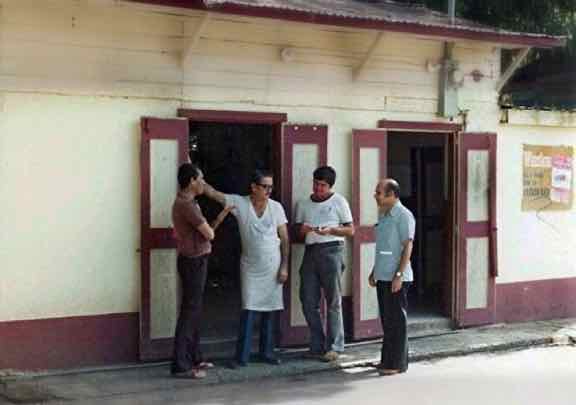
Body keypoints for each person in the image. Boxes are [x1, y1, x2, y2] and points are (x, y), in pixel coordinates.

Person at [203, 170, 290, 367]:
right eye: (264, 186)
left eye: (270, 187)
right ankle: (241, 357)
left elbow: (284, 238)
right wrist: (196, 176)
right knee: (248, 309)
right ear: (254, 187)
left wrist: (284, 266)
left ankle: (266, 353)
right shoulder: (240, 203)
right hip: (250, 267)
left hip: (272, 265)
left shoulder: (276, 208)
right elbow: (213, 193)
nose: (268, 190)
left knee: (270, 309)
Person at [171, 163, 233, 379]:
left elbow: (207, 233)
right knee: (189, 312)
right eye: (201, 179)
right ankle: (180, 364)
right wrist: (213, 225)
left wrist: (223, 214)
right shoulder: (186, 205)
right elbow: (209, 234)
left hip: (197, 259)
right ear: (191, 181)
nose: (204, 184)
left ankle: (195, 357)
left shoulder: (190, 202)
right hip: (193, 262)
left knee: (195, 311)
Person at [294, 166, 354, 362]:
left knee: (333, 301)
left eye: (323, 185)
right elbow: (296, 231)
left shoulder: (339, 201)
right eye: (316, 184)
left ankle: (335, 346)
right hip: (311, 252)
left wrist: (331, 230)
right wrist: (303, 229)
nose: (319, 188)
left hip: (332, 250)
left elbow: (350, 230)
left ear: (330, 186)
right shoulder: (303, 203)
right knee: (308, 300)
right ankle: (317, 344)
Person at [368, 178, 415, 376]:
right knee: (387, 321)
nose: (375, 196)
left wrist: (399, 275)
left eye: (379, 192)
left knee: (397, 321)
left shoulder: (403, 215)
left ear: (391, 195)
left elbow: (407, 246)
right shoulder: (384, 214)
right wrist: (374, 271)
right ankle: (387, 360)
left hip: (397, 278)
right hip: (383, 275)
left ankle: (397, 363)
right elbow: (384, 248)